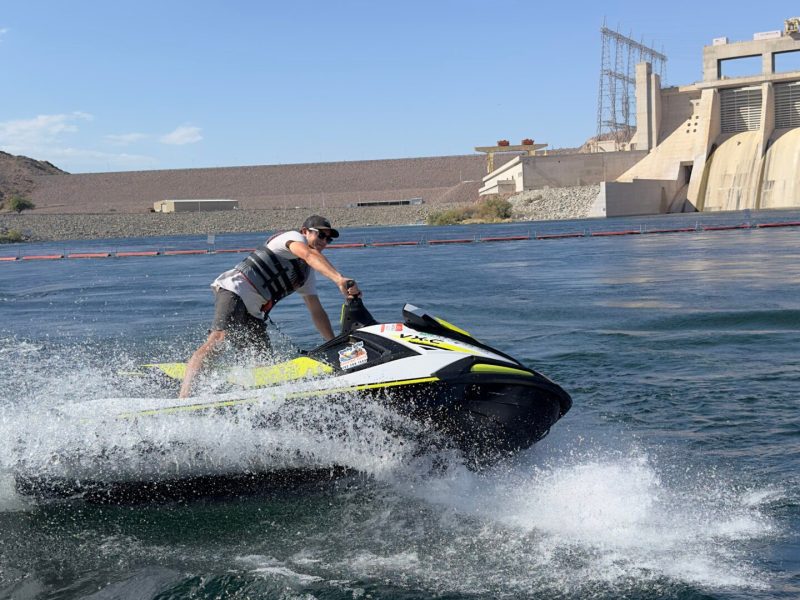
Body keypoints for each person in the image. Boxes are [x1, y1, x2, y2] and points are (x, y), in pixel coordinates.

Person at [179, 215, 361, 398]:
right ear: (304, 231)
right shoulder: (292, 238)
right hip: (234, 290)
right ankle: (184, 398)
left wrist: (332, 343)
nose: (324, 241)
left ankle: (254, 402)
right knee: (218, 339)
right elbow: (309, 254)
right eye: (320, 235)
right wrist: (339, 279)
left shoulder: (306, 274)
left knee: (262, 362)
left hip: (254, 313)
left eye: (328, 239)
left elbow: (316, 310)